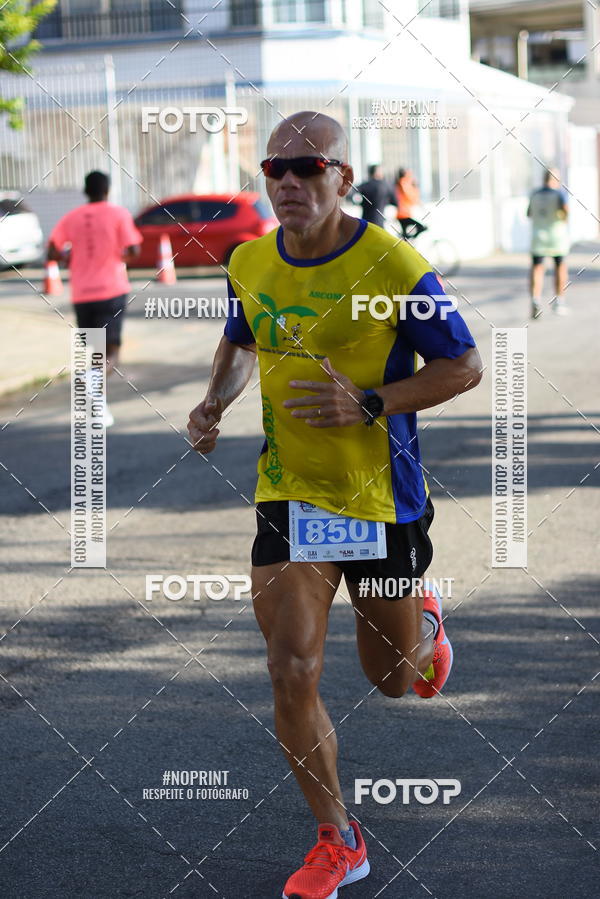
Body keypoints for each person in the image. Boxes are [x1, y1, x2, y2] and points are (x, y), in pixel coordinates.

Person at [187, 111, 482, 899]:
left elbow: (463, 365)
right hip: (290, 493)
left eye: (307, 167)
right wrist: (214, 402)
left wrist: (374, 401)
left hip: (382, 499)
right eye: (274, 168)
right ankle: (338, 837)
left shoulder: (392, 261)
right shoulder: (249, 259)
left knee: (393, 676)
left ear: (342, 178)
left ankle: (423, 619)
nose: (288, 181)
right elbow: (242, 337)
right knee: (291, 665)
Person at [47, 170, 142, 425]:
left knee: (97, 351)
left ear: (85, 191)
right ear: (107, 190)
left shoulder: (71, 217)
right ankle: (91, 378)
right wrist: (118, 257)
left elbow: (51, 250)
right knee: (112, 352)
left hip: (81, 294)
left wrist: (66, 258)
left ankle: (99, 410)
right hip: (111, 289)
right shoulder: (118, 214)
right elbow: (134, 249)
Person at [527, 167, 570, 318]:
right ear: (555, 180)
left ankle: (535, 300)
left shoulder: (534, 194)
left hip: (538, 236)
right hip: (556, 237)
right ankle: (559, 301)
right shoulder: (560, 194)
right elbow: (566, 213)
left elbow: (529, 213)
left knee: (537, 268)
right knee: (560, 267)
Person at [355, 163, 397, 228]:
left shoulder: (364, 186)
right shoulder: (387, 186)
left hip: (365, 222)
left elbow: (352, 196)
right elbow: (395, 202)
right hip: (380, 221)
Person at [395, 167, 427, 240]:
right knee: (421, 227)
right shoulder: (403, 183)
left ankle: (407, 241)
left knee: (405, 236)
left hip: (404, 214)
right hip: (403, 214)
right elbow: (410, 197)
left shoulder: (403, 183)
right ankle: (409, 240)